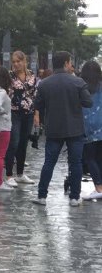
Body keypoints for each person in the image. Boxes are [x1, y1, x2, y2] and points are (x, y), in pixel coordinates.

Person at [34, 51, 92, 206]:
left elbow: (38, 104)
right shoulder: (78, 82)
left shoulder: (44, 83)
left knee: (49, 162)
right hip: (75, 128)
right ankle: (74, 197)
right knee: (76, 163)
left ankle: (42, 196)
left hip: (54, 128)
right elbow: (88, 102)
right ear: (66, 63)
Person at [3, 51, 38, 187]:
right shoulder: (9, 76)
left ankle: (20, 173)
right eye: (14, 62)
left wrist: (36, 114)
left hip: (28, 113)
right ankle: (9, 175)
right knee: (14, 142)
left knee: (23, 143)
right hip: (14, 112)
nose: (16, 64)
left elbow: (35, 95)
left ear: (24, 61)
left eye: (18, 61)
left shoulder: (32, 75)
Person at [80, 61, 102, 200]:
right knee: (99, 158)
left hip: (87, 125)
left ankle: (98, 187)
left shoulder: (81, 87)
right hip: (101, 125)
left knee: (90, 158)